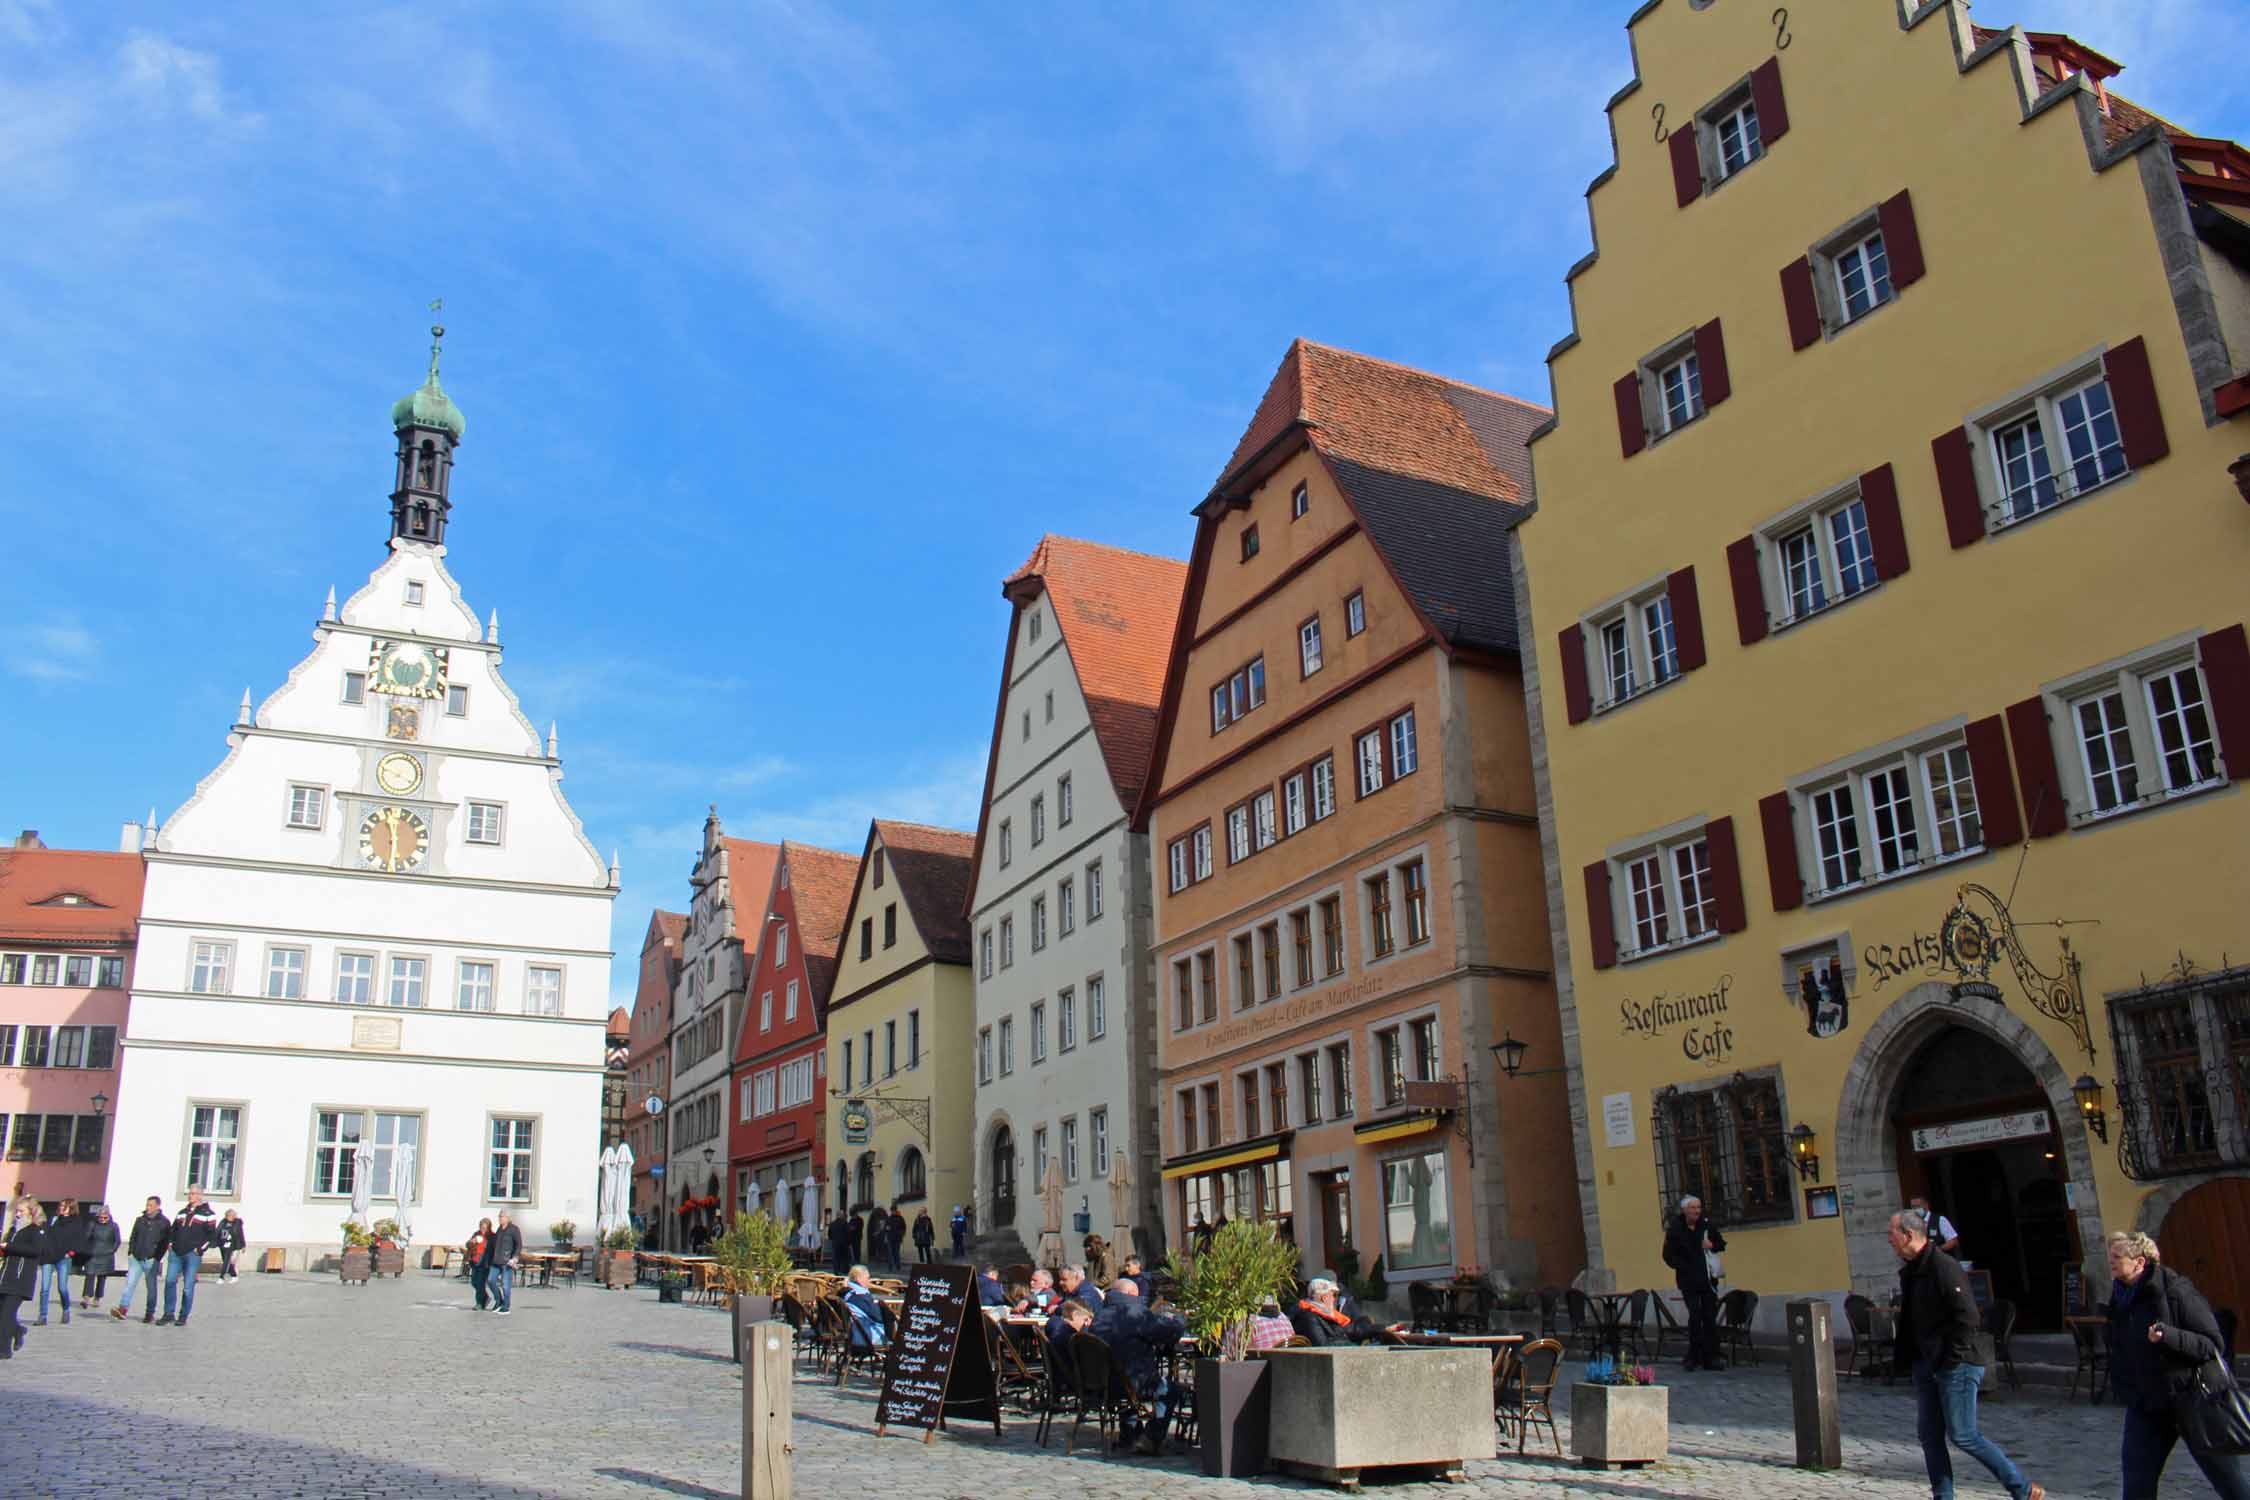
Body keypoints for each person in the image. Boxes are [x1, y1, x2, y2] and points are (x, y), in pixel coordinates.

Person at [1890, 1210, 2043, 1500]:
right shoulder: (1911, 1270)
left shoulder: (1943, 1267)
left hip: (1955, 1364)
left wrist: (1950, 1360)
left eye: (1892, 1234)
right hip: (1927, 1362)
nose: (1889, 1240)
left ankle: (2021, 1488)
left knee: (1963, 1434)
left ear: (1909, 1235)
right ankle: (1943, 1495)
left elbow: (1968, 1318)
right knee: (1930, 1436)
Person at [2105, 1228, 2250, 1500]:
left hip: (2193, 1401)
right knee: (2137, 1485)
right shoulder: (2120, 1298)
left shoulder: (2175, 1291)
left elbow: (2212, 1343)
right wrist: (2126, 1388)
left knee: (2231, 1485)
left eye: (2117, 1256)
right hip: (2148, 1406)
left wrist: (2169, 1337)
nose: (2110, 1261)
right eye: (2109, 1255)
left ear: (2139, 1261)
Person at [1093, 1277, 1189, 1455]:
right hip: (1132, 1381)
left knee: (1126, 1377)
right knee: (1171, 1389)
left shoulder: (1100, 1314)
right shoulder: (1135, 1312)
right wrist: (1180, 1320)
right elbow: (1167, 1330)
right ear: (1131, 1294)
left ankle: (1128, 1435)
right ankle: (1151, 1438)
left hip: (1104, 1383)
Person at [1662, 1194, 1728, 1371]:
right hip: (1688, 1281)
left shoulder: (1706, 1225)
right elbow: (1667, 1256)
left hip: (1708, 1280)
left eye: (1699, 1207)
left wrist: (1711, 1245)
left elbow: (1721, 1244)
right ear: (1684, 1210)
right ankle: (1693, 1356)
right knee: (1695, 1316)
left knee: (1709, 1318)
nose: (1697, 1211)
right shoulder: (1675, 1229)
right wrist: (1684, 1267)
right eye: (1693, 1208)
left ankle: (1711, 1357)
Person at [160, 1188, 218, 1327]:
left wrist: (200, 1249)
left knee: (188, 1286)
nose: (190, 1196)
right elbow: (173, 1230)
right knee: (169, 1281)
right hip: (176, 1252)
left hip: (192, 1254)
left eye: (193, 1193)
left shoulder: (208, 1214)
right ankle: (168, 1313)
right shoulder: (182, 1213)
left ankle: (183, 1315)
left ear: (200, 1196)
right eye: (189, 1193)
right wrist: (170, 1243)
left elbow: (212, 1236)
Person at [1290, 1277, 1398, 1346]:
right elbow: (1322, 1346)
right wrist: (1352, 1345)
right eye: (1334, 1295)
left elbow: (1352, 1329)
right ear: (1323, 1297)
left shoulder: (1326, 1313)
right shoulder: (1308, 1317)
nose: (1335, 1299)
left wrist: (1383, 1329)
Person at [111, 1196, 168, 1323]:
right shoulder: (140, 1220)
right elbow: (133, 1236)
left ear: (158, 1206)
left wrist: (157, 1257)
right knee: (129, 1284)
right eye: (147, 1205)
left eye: (151, 1205)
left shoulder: (164, 1222)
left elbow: (165, 1242)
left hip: (151, 1259)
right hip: (136, 1258)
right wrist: (131, 1251)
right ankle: (123, 1309)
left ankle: (149, 1313)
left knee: (151, 1287)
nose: (148, 1207)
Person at [0, 1204, 44, 1357]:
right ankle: (18, 1330)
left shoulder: (35, 1231)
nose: (17, 1214)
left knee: (6, 1315)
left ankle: (4, 1350)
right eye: (16, 1211)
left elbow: (36, 1251)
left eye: (21, 1211)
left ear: (31, 1214)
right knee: (2, 1313)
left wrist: (10, 1247)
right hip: (5, 1276)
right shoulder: (14, 1230)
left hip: (20, 1278)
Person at [38, 1196, 86, 1325]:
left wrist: (70, 1253)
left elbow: (79, 1240)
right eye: (61, 1206)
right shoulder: (54, 1219)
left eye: (64, 1206)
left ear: (71, 1208)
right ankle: (42, 1316)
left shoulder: (76, 1222)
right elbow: (46, 1235)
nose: (61, 1208)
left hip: (63, 1258)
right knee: (44, 1288)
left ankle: (65, 1309)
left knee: (62, 1287)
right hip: (48, 1256)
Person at [79, 1203, 121, 1308]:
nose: (102, 1219)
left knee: (102, 1278)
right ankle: (86, 1297)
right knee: (89, 1275)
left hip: (106, 1255)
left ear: (109, 1216)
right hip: (93, 1254)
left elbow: (117, 1241)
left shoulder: (114, 1226)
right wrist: (87, 1249)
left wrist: (111, 1250)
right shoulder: (92, 1224)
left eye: (105, 1217)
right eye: (100, 1217)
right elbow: (86, 1238)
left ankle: (97, 1297)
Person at [483, 1210, 523, 1316]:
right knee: (491, 1281)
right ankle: (499, 1300)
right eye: (499, 1216)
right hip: (496, 1261)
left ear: (508, 1218)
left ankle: (506, 1306)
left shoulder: (514, 1229)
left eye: (502, 1216)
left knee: (506, 1285)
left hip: (507, 1261)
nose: (500, 1218)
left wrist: (514, 1258)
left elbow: (518, 1245)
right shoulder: (499, 1229)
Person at [840, 1263, 889, 1349]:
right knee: (898, 1332)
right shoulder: (860, 1296)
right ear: (859, 1279)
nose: (868, 1281)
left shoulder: (846, 1292)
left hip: (854, 1333)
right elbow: (878, 1317)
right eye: (867, 1278)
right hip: (865, 1336)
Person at [1047, 1296, 1095, 1361]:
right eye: (1086, 1320)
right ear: (1074, 1315)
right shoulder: (1070, 1337)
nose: (1089, 1324)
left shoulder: (1061, 1328)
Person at [465, 1218, 494, 1310]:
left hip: (485, 1261)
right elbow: (468, 1245)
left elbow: (493, 1249)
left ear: (488, 1227)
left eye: (484, 1227)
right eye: (481, 1226)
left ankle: (479, 1303)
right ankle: (485, 1297)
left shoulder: (492, 1236)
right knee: (474, 1282)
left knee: (480, 1283)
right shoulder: (476, 1234)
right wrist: (471, 1242)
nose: (482, 1229)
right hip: (475, 1260)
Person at [215, 1209, 249, 1282]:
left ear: (234, 1216)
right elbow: (217, 1231)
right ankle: (234, 1275)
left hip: (231, 1245)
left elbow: (241, 1234)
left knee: (226, 1261)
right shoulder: (223, 1222)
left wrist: (243, 1245)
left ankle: (221, 1277)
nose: (228, 1217)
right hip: (222, 1244)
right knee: (226, 1261)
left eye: (229, 1215)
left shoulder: (237, 1223)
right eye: (227, 1215)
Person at [828, 1210, 853, 1274]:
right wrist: (849, 1242)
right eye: (843, 1215)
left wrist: (833, 1239)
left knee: (836, 1258)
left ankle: (836, 1270)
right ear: (841, 1215)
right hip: (844, 1244)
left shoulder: (832, 1224)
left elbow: (829, 1234)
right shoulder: (845, 1223)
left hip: (835, 1243)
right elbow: (849, 1233)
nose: (843, 1216)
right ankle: (844, 1270)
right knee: (844, 1258)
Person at [885, 1205, 908, 1272]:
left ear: (896, 1211)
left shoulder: (900, 1218)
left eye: (894, 1211)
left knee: (896, 1253)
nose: (893, 1212)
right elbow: (885, 1228)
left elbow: (904, 1227)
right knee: (890, 1253)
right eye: (892, 1211)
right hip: (890, 1238)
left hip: (897, 1238)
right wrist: (886, 1229)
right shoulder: (889, 1219)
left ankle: (898, 1266)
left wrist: (902, 1234)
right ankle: (890, 1267)